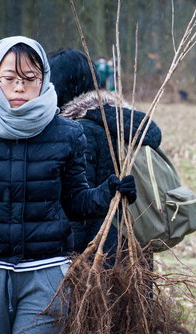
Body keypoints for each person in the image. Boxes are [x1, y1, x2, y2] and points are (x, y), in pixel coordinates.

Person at [0, 36, 136, 334]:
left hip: (44, 275)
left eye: (30, 78)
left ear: (44, 78)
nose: (19, 87)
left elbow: (76, 203)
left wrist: (111, 190)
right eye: (9, 78)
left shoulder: (65, 133)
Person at [49, 48, 162, 256]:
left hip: (99, 257)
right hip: (132, 247)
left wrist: (70, 259)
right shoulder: (120, 121)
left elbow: (81, 212)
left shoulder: (82, 130)